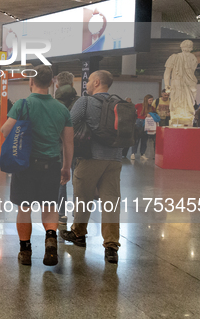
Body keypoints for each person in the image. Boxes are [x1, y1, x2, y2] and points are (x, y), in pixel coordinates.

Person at [1, 64, 73, 267]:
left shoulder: (22, 104)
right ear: (52, 83)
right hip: (52, 164)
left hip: (25, 165)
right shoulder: (61, 109)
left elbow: (6, 131)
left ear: (31, 82)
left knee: (24, 208)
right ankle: (50, 238)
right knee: (50, 206)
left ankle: (25, 251)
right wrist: (66, 167)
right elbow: (68, 142)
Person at [60, 70, 123, 264]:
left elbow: (68, 123)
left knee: (83, 197)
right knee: (111, 201)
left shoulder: (85, 102)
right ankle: (111, 246)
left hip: (90, 157)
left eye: (89, 81)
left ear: (96, 82)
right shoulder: (119, 103)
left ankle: (78, 234)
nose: (86, 84)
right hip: (115, 158)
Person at [54, 71, 79, 224]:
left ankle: (61, 213)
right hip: (79, 146)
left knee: (61, 180)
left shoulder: (53, 103)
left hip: (58, 146)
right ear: (72, 84)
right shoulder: (80, 101)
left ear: (57, 85)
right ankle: (78, 213)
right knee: (78, 180)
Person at [164, 40, 198, 126]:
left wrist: (166, 85)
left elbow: (167, 72)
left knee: (178, 99)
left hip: (178, 81)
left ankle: (178, 116)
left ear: (181, 46)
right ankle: (186, 116)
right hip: (189, 82)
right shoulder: (193, 58)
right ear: (191, 47)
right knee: (189, 100)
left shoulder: (174, 57)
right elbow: (192, 72)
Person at [130, 94, 155, 160]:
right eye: (150, 100)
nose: (151, 101)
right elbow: (132, 109)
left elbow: (155, 115)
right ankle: (133, 153)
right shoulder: (139, 105)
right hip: (139, 123)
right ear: (146, 100)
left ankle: (142, 153)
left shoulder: (152, 108)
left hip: (147, 124)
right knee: (136, 139)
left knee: (144, 140)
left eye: (152, 100)